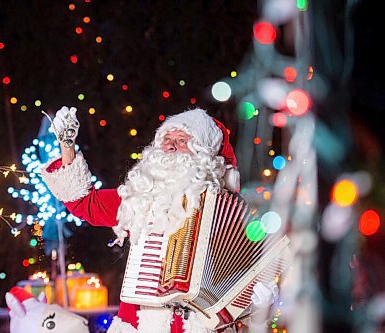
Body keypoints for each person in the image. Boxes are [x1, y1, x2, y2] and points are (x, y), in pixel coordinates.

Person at [40, 106, 278, 333]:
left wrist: (260, 306)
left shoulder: (228, 213)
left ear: (203, 154)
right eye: (167, 139)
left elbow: (248, 275)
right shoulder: (138, 200)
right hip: (140, 323)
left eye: (182, 141)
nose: (171, 147)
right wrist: (67, 146)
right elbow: (86, 203)